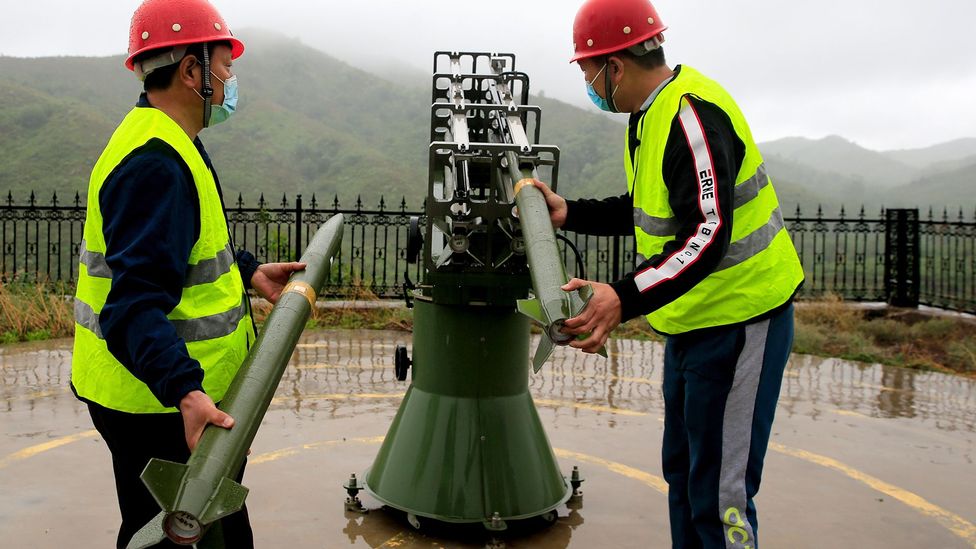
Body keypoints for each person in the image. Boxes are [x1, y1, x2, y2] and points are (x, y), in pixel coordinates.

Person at [532, 0, 806, 547]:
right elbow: (654, 208)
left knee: (720, 497)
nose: (586, 81)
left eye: (587, 69)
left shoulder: (689, 115)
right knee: (683, 478)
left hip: (740, 322)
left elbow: (706, 232)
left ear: (616, 65)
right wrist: (574, 212)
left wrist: (622, 297)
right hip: (691, 325)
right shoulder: (650, 115)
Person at [70, 1, 304, 547]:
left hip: (150, 394)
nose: (230, 79)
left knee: (166, 530)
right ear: (191, 71)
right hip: (160, 406)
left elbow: (178, 250)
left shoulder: (166, 138)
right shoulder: (155, 162)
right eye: (224, 65)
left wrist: (248, 272)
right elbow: (131, 305)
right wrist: (186, 394)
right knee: (184, 535)